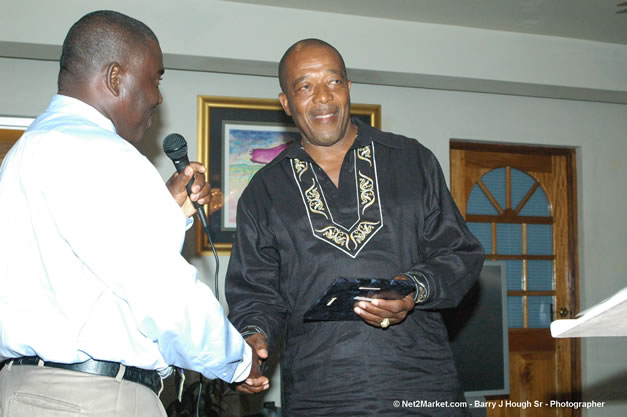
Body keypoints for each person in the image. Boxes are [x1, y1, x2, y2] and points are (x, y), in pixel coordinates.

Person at [0, 10, 263, 417]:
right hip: (91, 399)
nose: (158, 96)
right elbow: (162, 292)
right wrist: (238, 361)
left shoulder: (26, 151)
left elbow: (86, 271)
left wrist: (164, 210)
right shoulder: (102, 152)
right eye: (155, 78)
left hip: (25, 391)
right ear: (115, 78)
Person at [225, 38, 485, 416]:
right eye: (305, 86)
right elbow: (255, 293)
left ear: (349, 89)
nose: (323, 98)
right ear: (286, 103)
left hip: (422, 384)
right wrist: (252, 342)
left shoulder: (412, 160)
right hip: (321, 393)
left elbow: (458, 253)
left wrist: (413, 289)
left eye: (334, 82)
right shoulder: (264, 191)